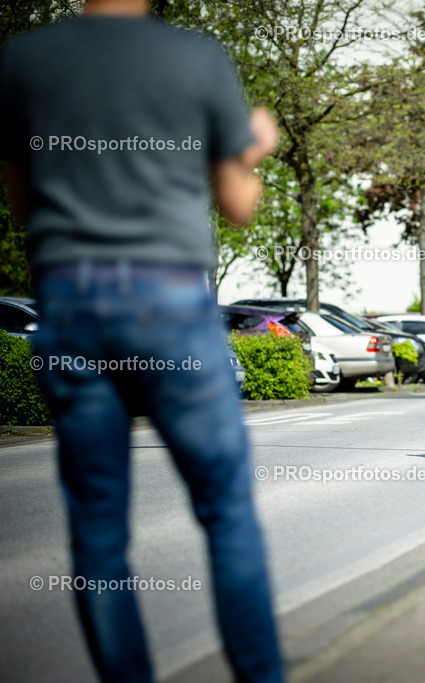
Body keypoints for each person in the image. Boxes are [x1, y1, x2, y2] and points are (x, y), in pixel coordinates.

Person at [0, 1, 284, 680]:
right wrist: (255, 148)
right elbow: (239, 204)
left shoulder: (26, 61)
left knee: (98, 531)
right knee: (226, 512)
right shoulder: (195, 57)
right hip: (169, 305)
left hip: (68, 305)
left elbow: (20, 202)